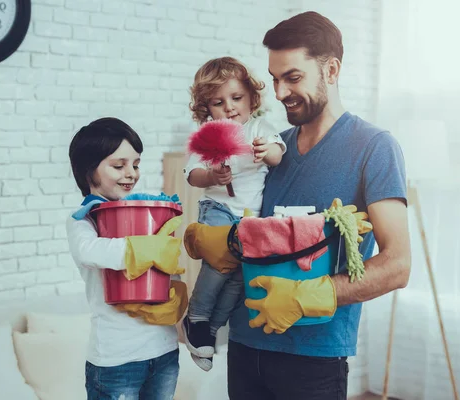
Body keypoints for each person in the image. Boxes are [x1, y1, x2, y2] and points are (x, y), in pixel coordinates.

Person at [224, 11, 412, 400]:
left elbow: (398, 265)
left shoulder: (374, 148)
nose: (279, 93)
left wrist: (309, 294)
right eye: (275, 79)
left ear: (331, 70)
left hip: (312, 360)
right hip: (244, 344)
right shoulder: (272, 148)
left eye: (292, 77)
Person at [67, 117, 187, 399]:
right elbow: (90, 251)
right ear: (88, 171)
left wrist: (175, 293)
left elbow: (165, 266)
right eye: (118, 166)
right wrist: (142, 250)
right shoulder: (84, 220)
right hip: (116, 360)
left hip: (164, 351)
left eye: (135, 164)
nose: (131, 173)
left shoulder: (149, 212)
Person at [182, 57, 286, 372]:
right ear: (206, 109)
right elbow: (192, 174)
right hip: (218, 209)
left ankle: (211, 328)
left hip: (250, 219)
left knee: (239, 276)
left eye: (236, 98)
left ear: (252, 99)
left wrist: (265, 152)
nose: (229, 107)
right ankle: (197, 316)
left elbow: (279, 154)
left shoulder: (259, 128)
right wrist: (212, 176)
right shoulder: (208, 135)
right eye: (218, 102)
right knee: (218, 261)